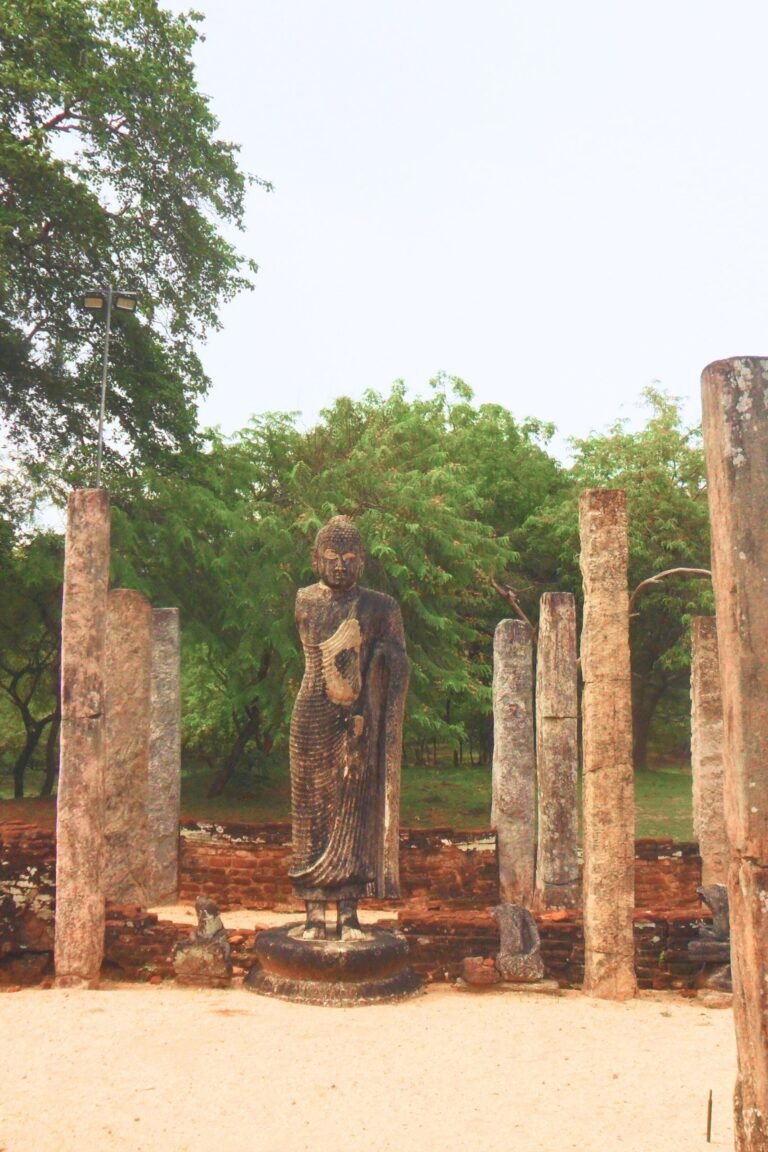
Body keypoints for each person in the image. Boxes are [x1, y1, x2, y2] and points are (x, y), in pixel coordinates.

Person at [288, 515, 409, 940]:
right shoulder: (305, 599)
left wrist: (377, 658)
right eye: (332, 558)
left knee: (353, 809)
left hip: (358, 719)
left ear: (363, 562)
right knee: (310, 814)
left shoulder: (381, 606)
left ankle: (349, 915)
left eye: (350, 559)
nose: (341, 566)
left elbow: (398, 660)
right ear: (316, 559)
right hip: (312, 714)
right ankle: (313, 914)